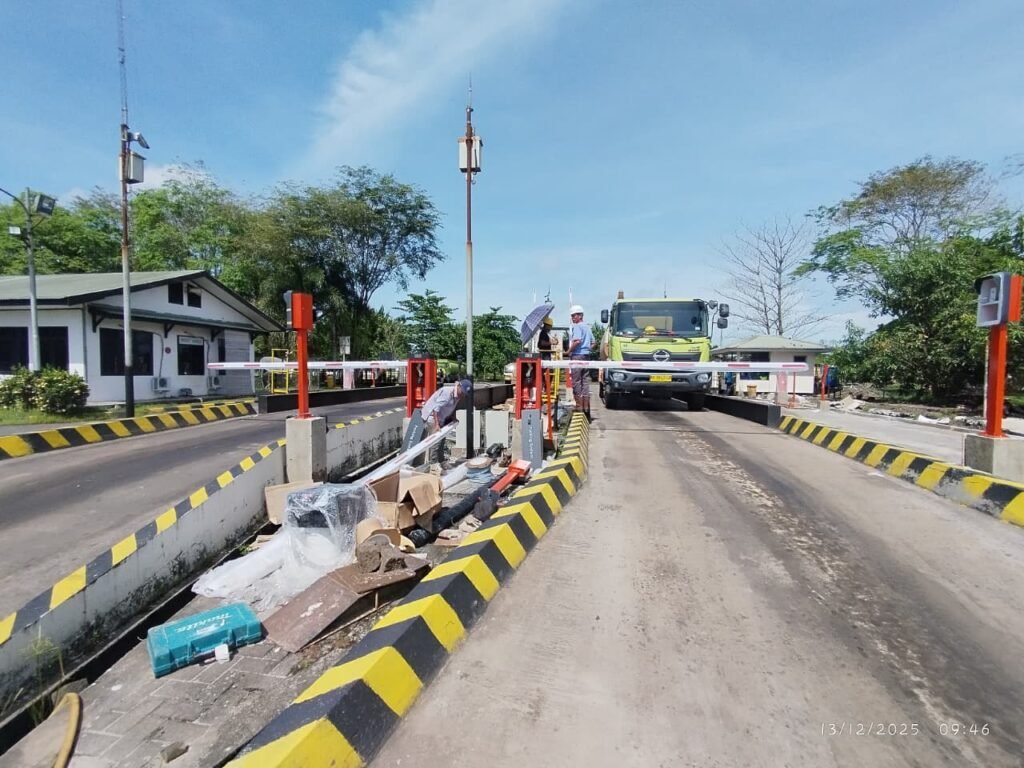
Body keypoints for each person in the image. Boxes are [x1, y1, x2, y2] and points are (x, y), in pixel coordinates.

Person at [421, 378, 472, 464]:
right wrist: (437, 425)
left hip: (440, 418)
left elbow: (453, 407)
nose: (462, 394)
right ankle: (433, 465)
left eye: (464, 393)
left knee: (442, 439)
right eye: (462, 392)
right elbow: (435, 409)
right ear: (458, 386)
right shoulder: (447, 393)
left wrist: (453, 417)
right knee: (436, 441)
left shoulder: (457, 395)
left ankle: (441, 462)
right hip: (431, 417)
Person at [567, 305, 594, 421]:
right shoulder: (587, 327)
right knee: (585, 381)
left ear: (580, 316)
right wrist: (587, 349)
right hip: (586, 356)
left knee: (577, 381)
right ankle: (586, 409)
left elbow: (577, 341)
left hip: (577, 356)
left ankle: (579, 408)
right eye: (572, 316)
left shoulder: (577, 326)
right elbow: (594, 342)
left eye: (574, 315)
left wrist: (569, 351)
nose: (573, 318)